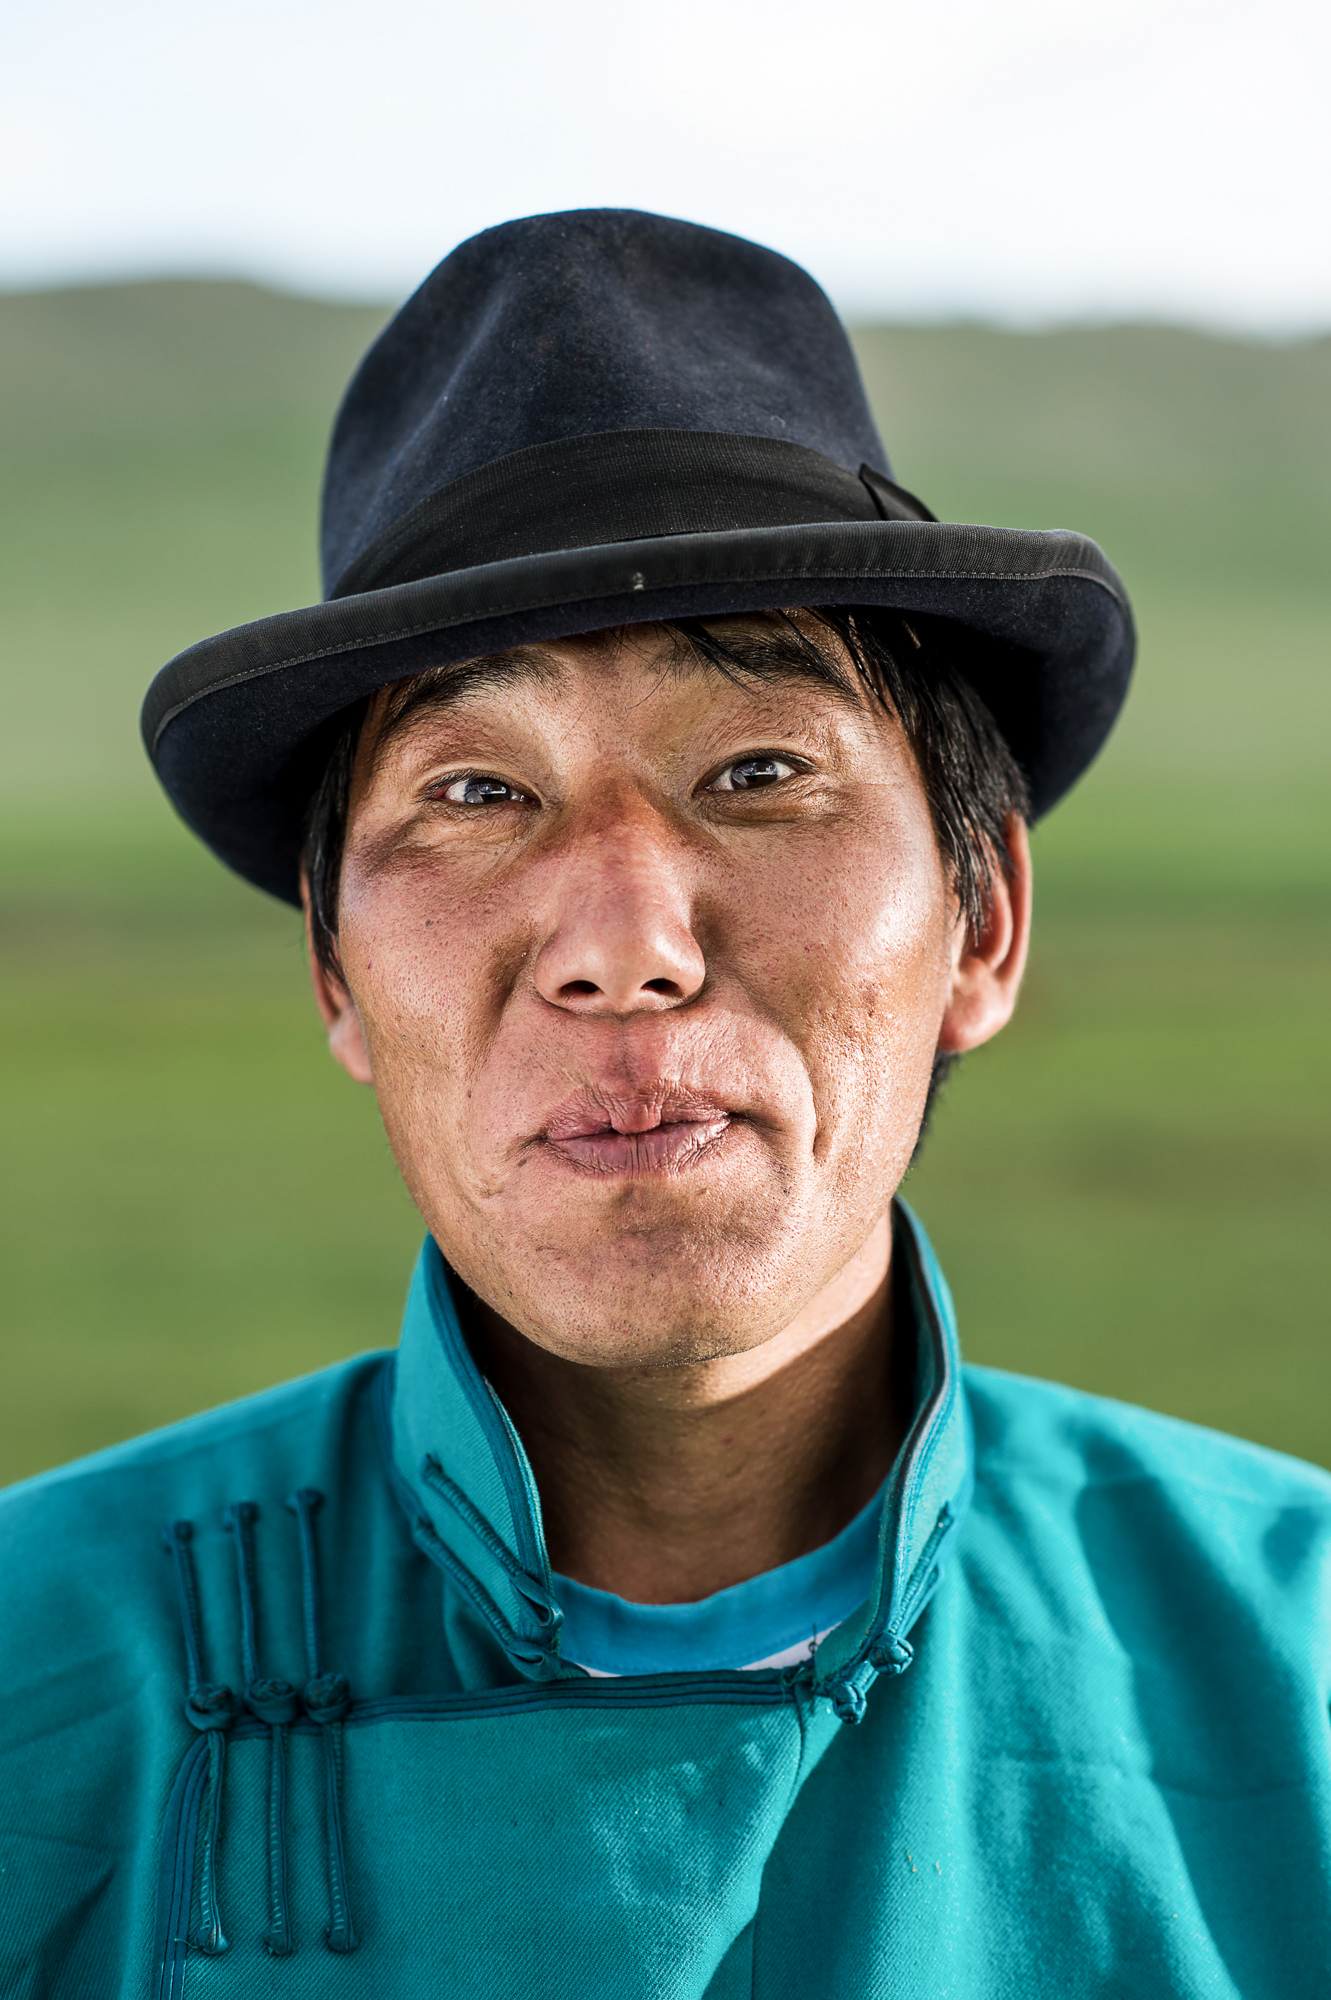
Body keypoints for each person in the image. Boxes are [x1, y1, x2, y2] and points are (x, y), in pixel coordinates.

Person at [1, 209, 1327, 1999]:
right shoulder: (34, 1680)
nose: (623, 946)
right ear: (335, 976)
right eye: (476, 793)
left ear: (985, 922)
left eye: (760, 769)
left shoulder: (1301, 1668)